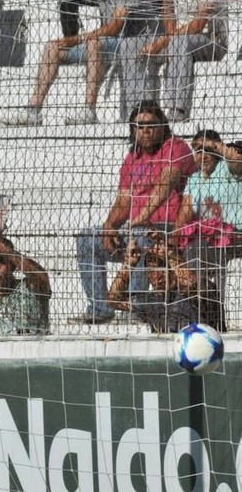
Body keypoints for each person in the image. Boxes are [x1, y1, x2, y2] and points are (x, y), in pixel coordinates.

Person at [73, 100, 196, 324]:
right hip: (135, 227)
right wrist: (109, 227)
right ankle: (100, 309)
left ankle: (138, 308)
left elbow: (163, 188)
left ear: (162, 126)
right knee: (87, 238)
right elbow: (123, 201)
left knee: (140, 237)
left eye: (151, 124)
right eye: (139, 126)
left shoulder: (176, 148)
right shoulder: (132, 158)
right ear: (132, 129)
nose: (145, 130)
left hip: (167, 230)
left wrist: (135, 223)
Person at [3, 0, 127, 127]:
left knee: (95, 43)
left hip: (124, 42)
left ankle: (89, 110)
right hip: (99, 42)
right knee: (53, 47)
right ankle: (33, 110)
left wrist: (76, 39)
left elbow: (115, 27)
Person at [141, 0, 230, 123]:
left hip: (212, 42)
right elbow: (168, 17)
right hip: (177, 40)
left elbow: (198, 25)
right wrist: (163, 41)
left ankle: (177, 108)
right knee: (134, 47)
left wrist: (163, 41)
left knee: (179, 42)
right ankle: (141, 111)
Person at [173, 129, 242, 324]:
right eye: (197, 151)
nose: (201, 156)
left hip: (237, 236)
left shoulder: (228, 168)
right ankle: (192, 308)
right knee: (184, 250)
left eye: (206, 150)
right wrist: (173, 240)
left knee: (198, 249)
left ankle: (211, 312)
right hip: (210, 240)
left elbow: (238, 159)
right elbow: (185, 211)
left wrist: (214, 145)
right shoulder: (195, 179)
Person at [107, 233, 221, 333]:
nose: (156, 277)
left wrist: (169, 252)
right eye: (151, 272)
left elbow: (191, 282)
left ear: (173, 270)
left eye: (162, 269)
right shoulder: (150, 301)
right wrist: (128, 265)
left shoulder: (199, 291)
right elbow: (114, 300)